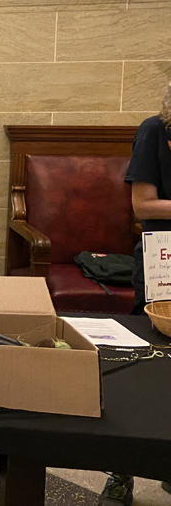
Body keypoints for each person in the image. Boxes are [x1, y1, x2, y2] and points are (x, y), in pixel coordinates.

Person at [98, 83, 171, 505]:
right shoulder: (153, 131)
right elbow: (142, 205)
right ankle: (120, 472)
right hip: (163, 260)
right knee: (145, 364)